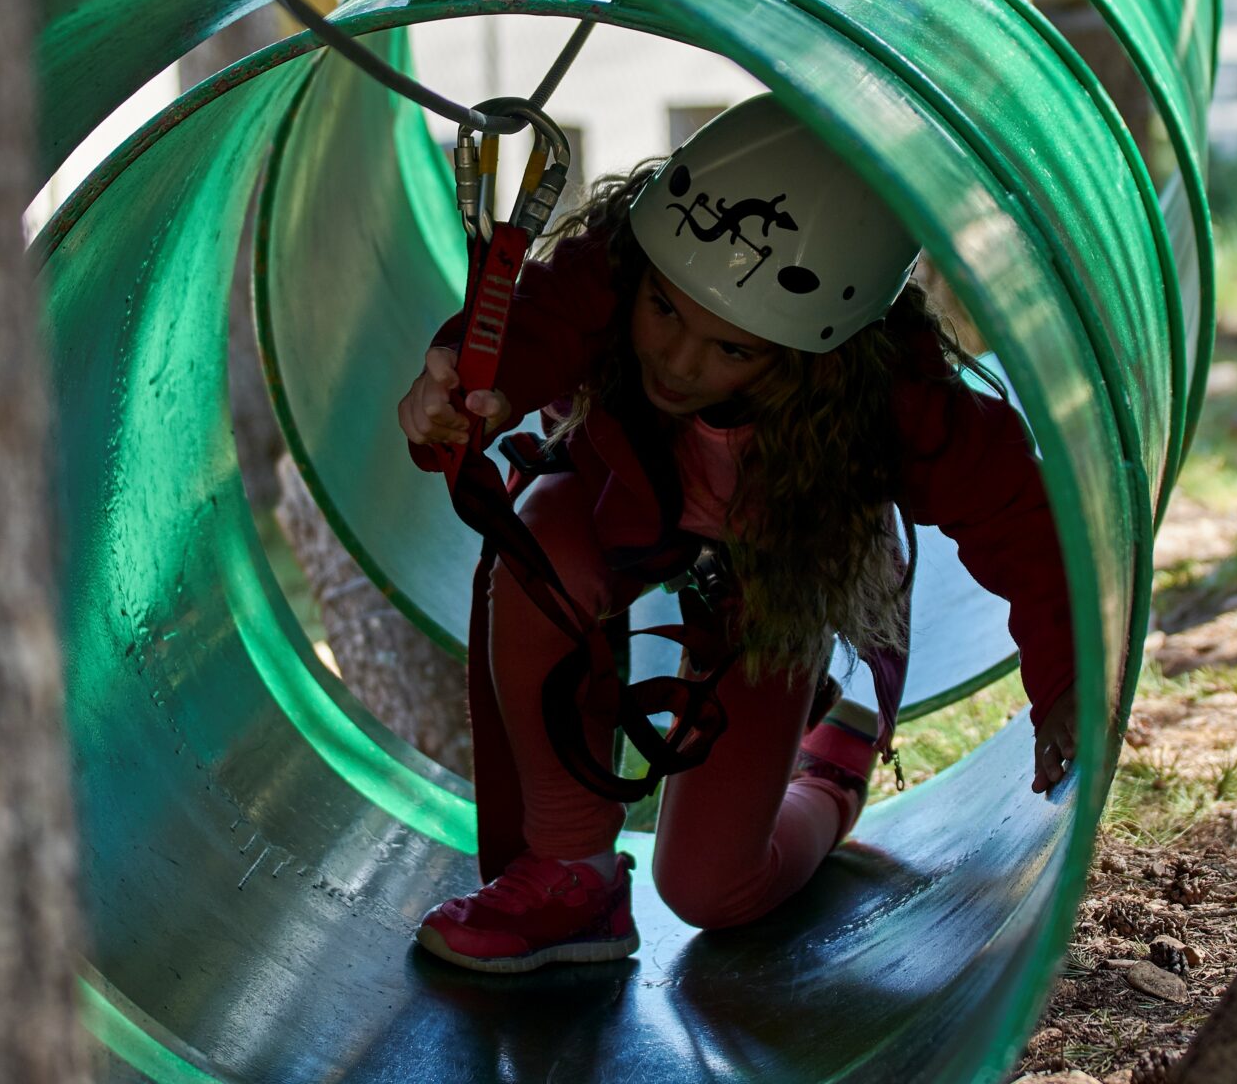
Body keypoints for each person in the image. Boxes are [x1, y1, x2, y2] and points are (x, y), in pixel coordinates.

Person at [396, 93, 1078, 974]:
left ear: (813, 351)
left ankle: (831, 770)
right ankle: (573, 875)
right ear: (642, 266)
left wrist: (1063, 677)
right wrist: (454, 398)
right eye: (665, 311)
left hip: (782, 565)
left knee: (711, 891)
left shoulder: (888, 398)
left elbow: (1019, 518)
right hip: (622, 507)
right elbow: (528, 329)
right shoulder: (614, 267)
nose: (679, 362)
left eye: (732, 350)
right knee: (540, 550)